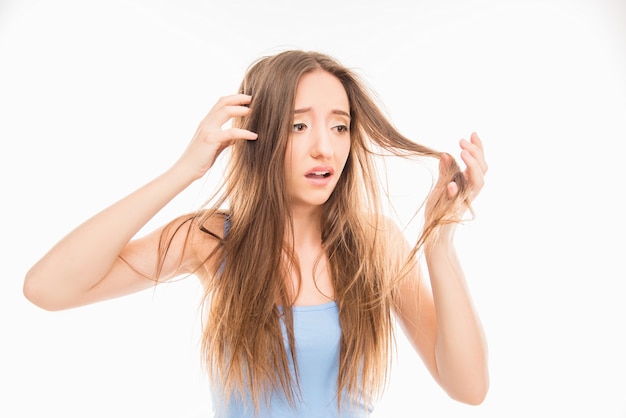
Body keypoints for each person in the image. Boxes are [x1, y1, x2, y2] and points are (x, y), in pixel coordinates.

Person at [23, 49, 489, 417]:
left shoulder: (375, 246)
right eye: (298, 125)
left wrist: (440, 242)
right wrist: (185, 170)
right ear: (258, 134)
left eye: (340, 127)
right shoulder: (210, 239)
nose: (324, 147)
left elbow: (468, 388)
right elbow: (48, 288)